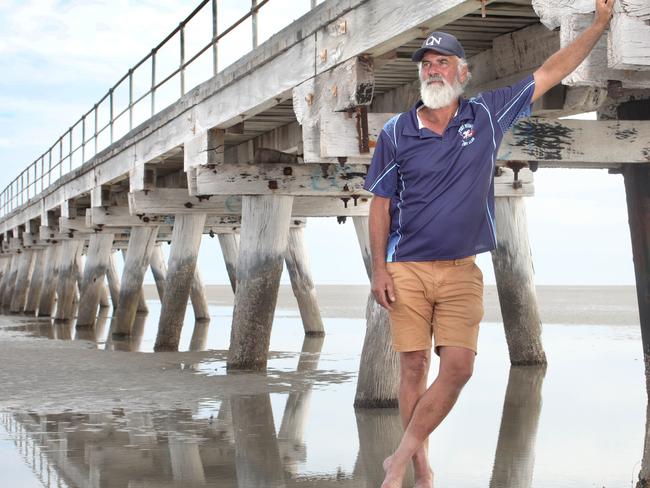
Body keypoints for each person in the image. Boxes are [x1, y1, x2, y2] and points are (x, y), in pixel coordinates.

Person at [363, 1, 616, 487]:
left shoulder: (487, 115)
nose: (433, 70)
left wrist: (600, 25)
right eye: (426, 64)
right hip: (406, 269)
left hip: (461, 270)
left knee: (458, 369)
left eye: (442, 63)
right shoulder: (397, 132)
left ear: (463, 72)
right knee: (412, 365)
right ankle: (417, 467)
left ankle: (399, 454)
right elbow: (379, 204)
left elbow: (550, 72)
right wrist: (378, 268)